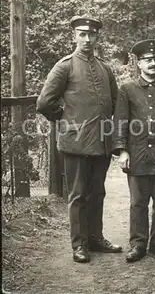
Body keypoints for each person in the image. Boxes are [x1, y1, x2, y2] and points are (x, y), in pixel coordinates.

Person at [37, 16, 122, 263]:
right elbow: (44, 102)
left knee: (98, 192)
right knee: (77, 194)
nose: (87, 39)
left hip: (101, 142)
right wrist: (64, 119)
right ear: (74, 36)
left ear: (97, 38)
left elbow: (115, 101)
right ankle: (79, 245)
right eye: (82, 34)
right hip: (75, 143)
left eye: (91, 35)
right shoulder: (64, 66)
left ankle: (96, 238)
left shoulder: (105, 68)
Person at [112, 39, 155, 263]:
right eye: (147, 60)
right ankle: (138, 244)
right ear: (138, 64)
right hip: (138, 154)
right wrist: (122, 151)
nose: (152, 63)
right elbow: (121, 121)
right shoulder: (127, 90)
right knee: (138, 203)